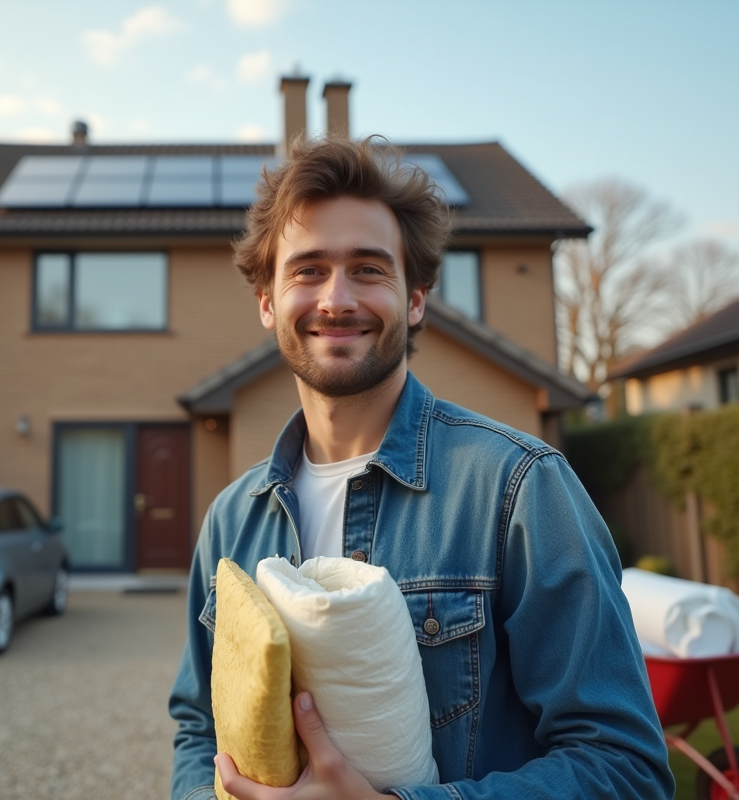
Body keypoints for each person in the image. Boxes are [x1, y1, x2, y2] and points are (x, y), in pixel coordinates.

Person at [169, 137, 673, 800]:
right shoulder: (231, 519)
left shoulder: (520, 490)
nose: (337, 299)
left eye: (369, 270)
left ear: (415, 300)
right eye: (309, 270)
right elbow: (197, 728)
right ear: (268, 301)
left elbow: (625, 768)